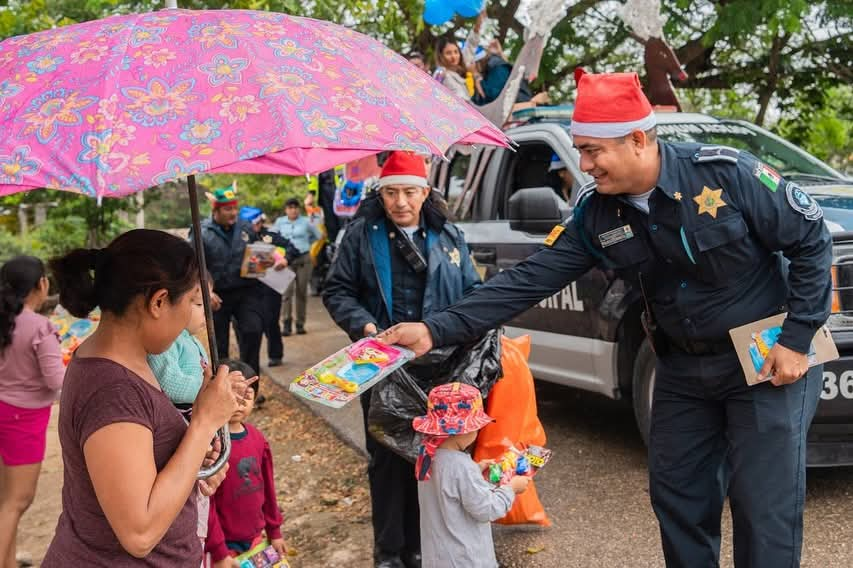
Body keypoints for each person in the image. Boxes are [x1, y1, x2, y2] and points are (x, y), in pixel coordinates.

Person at [380, 71, 832, 568]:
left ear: (638, 139)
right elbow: (530, 278)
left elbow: (812, 240)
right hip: (681, 371)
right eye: (579, 149)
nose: (584, 164)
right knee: (679, 501)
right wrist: (435, 328)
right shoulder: (598, 214)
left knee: (763, 508)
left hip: (764, 361)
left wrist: (798, 337)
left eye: (593, 151)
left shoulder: (726, 174)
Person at [41, 229, 255, 566]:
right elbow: (139, 533)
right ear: (158, 302)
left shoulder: (132, 361)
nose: (190, 318)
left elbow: (143, 464)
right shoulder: (111, 391)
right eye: (189, 303)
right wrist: (203, 424)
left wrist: (193, 461)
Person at [323, 151, 482, 568]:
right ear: (381, 193)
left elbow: (471, 295)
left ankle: (422, 546)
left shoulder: (450, 235)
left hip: (441, 367)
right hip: (382, 366)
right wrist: (365, 328)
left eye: (409, 192)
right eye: (391, 192)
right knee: (387, 459)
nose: (400, 202)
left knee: (436, 457)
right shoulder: (361, 234)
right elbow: (337, 291)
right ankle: (389, 552)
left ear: (426, 192)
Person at [413, 383, 529, 568]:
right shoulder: (461, 467)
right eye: (476, 427)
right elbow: (487, 509)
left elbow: (447, 485)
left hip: (437, 558)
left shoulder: (427, 455)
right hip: (465, 559)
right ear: (463, 430)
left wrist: (476, 470)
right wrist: (511, 489)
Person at [0, 256, 64, 568]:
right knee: (18, 500)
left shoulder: (6, 321)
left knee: (5, 499)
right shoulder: (40, 327)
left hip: (3, 410)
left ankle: (9, 560)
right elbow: (55, 379)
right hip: (23, 419)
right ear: (41, 284)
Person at [208, 359, 286, 560]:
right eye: (233, 396)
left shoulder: (258, 440)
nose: (239, 404)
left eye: (247, 396)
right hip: (222, 546)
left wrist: (274, 531)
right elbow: (206, 503)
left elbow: (268, 487)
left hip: (255, 539)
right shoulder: (210, 446)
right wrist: (218, 551)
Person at [192, 186, 268, 375]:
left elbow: (257, 253)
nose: (233, 213)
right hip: (217, 295)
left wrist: (267, 260)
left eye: (235, 208)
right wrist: (206, 292)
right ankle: (223, 384)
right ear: (215, 211)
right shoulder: (201, 232)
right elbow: (192, 266)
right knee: (219, 343)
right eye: (227, 209)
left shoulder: (246, 227)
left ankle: (251, 383)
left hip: (246, 291)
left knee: (253, 331)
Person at [240, 206, 297, 367]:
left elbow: (291, 247)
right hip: (249, 288)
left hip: (271, 287)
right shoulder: (241, 238)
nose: (257, 226)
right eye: (254, 223)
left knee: (271, 321)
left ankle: (275, 354)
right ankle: (249, 362)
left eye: (259, 222)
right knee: (252, 325)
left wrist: (286, 260)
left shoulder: (269, 235)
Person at [271, 197, 322, 336]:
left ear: (298, 209)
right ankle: (286, 323)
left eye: (295, 207)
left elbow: (318, 235)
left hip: (303, 259)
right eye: (290, 207)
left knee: (301, 292)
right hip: (286, 261)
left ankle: (300, 324)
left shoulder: (306, 222)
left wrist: (305, 244)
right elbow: (272, 236)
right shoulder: (280, 222)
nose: (293, 210)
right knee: (286, 293)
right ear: (286, 209)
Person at [432, 13, 484, 100]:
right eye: (448, 53)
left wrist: (478, 23)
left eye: (456, 52)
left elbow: (470, 45)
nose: (454, 56)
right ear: (440, 56)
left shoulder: (458, 69)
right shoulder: (441, 73)